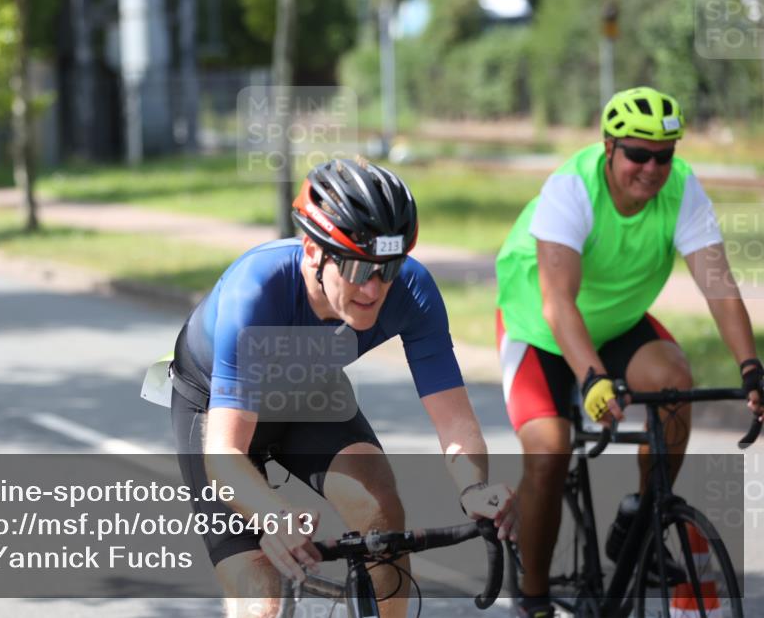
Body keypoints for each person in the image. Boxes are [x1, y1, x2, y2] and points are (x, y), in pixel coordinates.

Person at [170, 156, 516, 618]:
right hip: (215, 406)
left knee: (380, 510)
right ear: (313, 252)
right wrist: (273, 516)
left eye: (387, 268)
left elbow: (454, 418)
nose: (373, 289)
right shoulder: (255, 291)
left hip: (309, 391)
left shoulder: (413, 291)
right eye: (356, 268)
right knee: (262, 600)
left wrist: (474, 487)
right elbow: (224, 454)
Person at [494, 86, 763, 618]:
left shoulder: (682, 189)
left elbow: (719, 286)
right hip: (540, 326)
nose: (651, 167)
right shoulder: (572, 187)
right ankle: (533, 595)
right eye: (638, 154)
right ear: (609, 147)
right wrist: (592, 377)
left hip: (618, 322)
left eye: (664, 155)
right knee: (550, 450)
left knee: (675, 383)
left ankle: (641, 515)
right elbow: (557, 303)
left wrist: (751, 368)